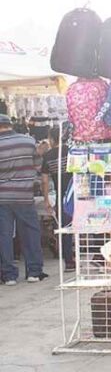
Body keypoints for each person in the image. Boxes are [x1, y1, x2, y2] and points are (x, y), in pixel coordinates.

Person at [0, 114, 46, 285]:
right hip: (25, 195)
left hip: (2, 198)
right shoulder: (28, 141)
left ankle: (9, 275)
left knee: (4, 236)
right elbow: (38, 165)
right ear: (9, 125)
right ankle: (34, 271)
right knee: (30, 233)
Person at [41, 126, 74, 272]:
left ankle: (69, 262)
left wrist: (46, 200)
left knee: (65, 229)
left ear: (52, 139)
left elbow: (44, 180)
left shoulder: (48, 156)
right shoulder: (72, 151)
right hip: (77, 193)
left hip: (62, 196)